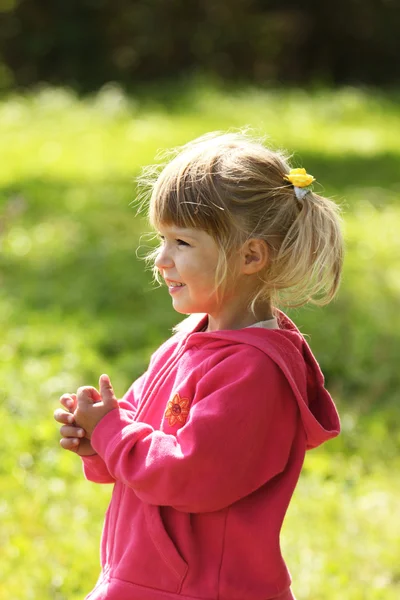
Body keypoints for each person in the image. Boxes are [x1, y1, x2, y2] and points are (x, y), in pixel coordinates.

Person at [54, 131, 343, 600]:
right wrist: (96, 438)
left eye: (182, 242)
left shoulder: (254, 372)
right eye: (161, 239)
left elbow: (191, 475)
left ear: (250, 255)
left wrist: (112, 434)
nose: (161, 260)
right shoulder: (188, 341)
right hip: (149, 580)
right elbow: (136, 436)